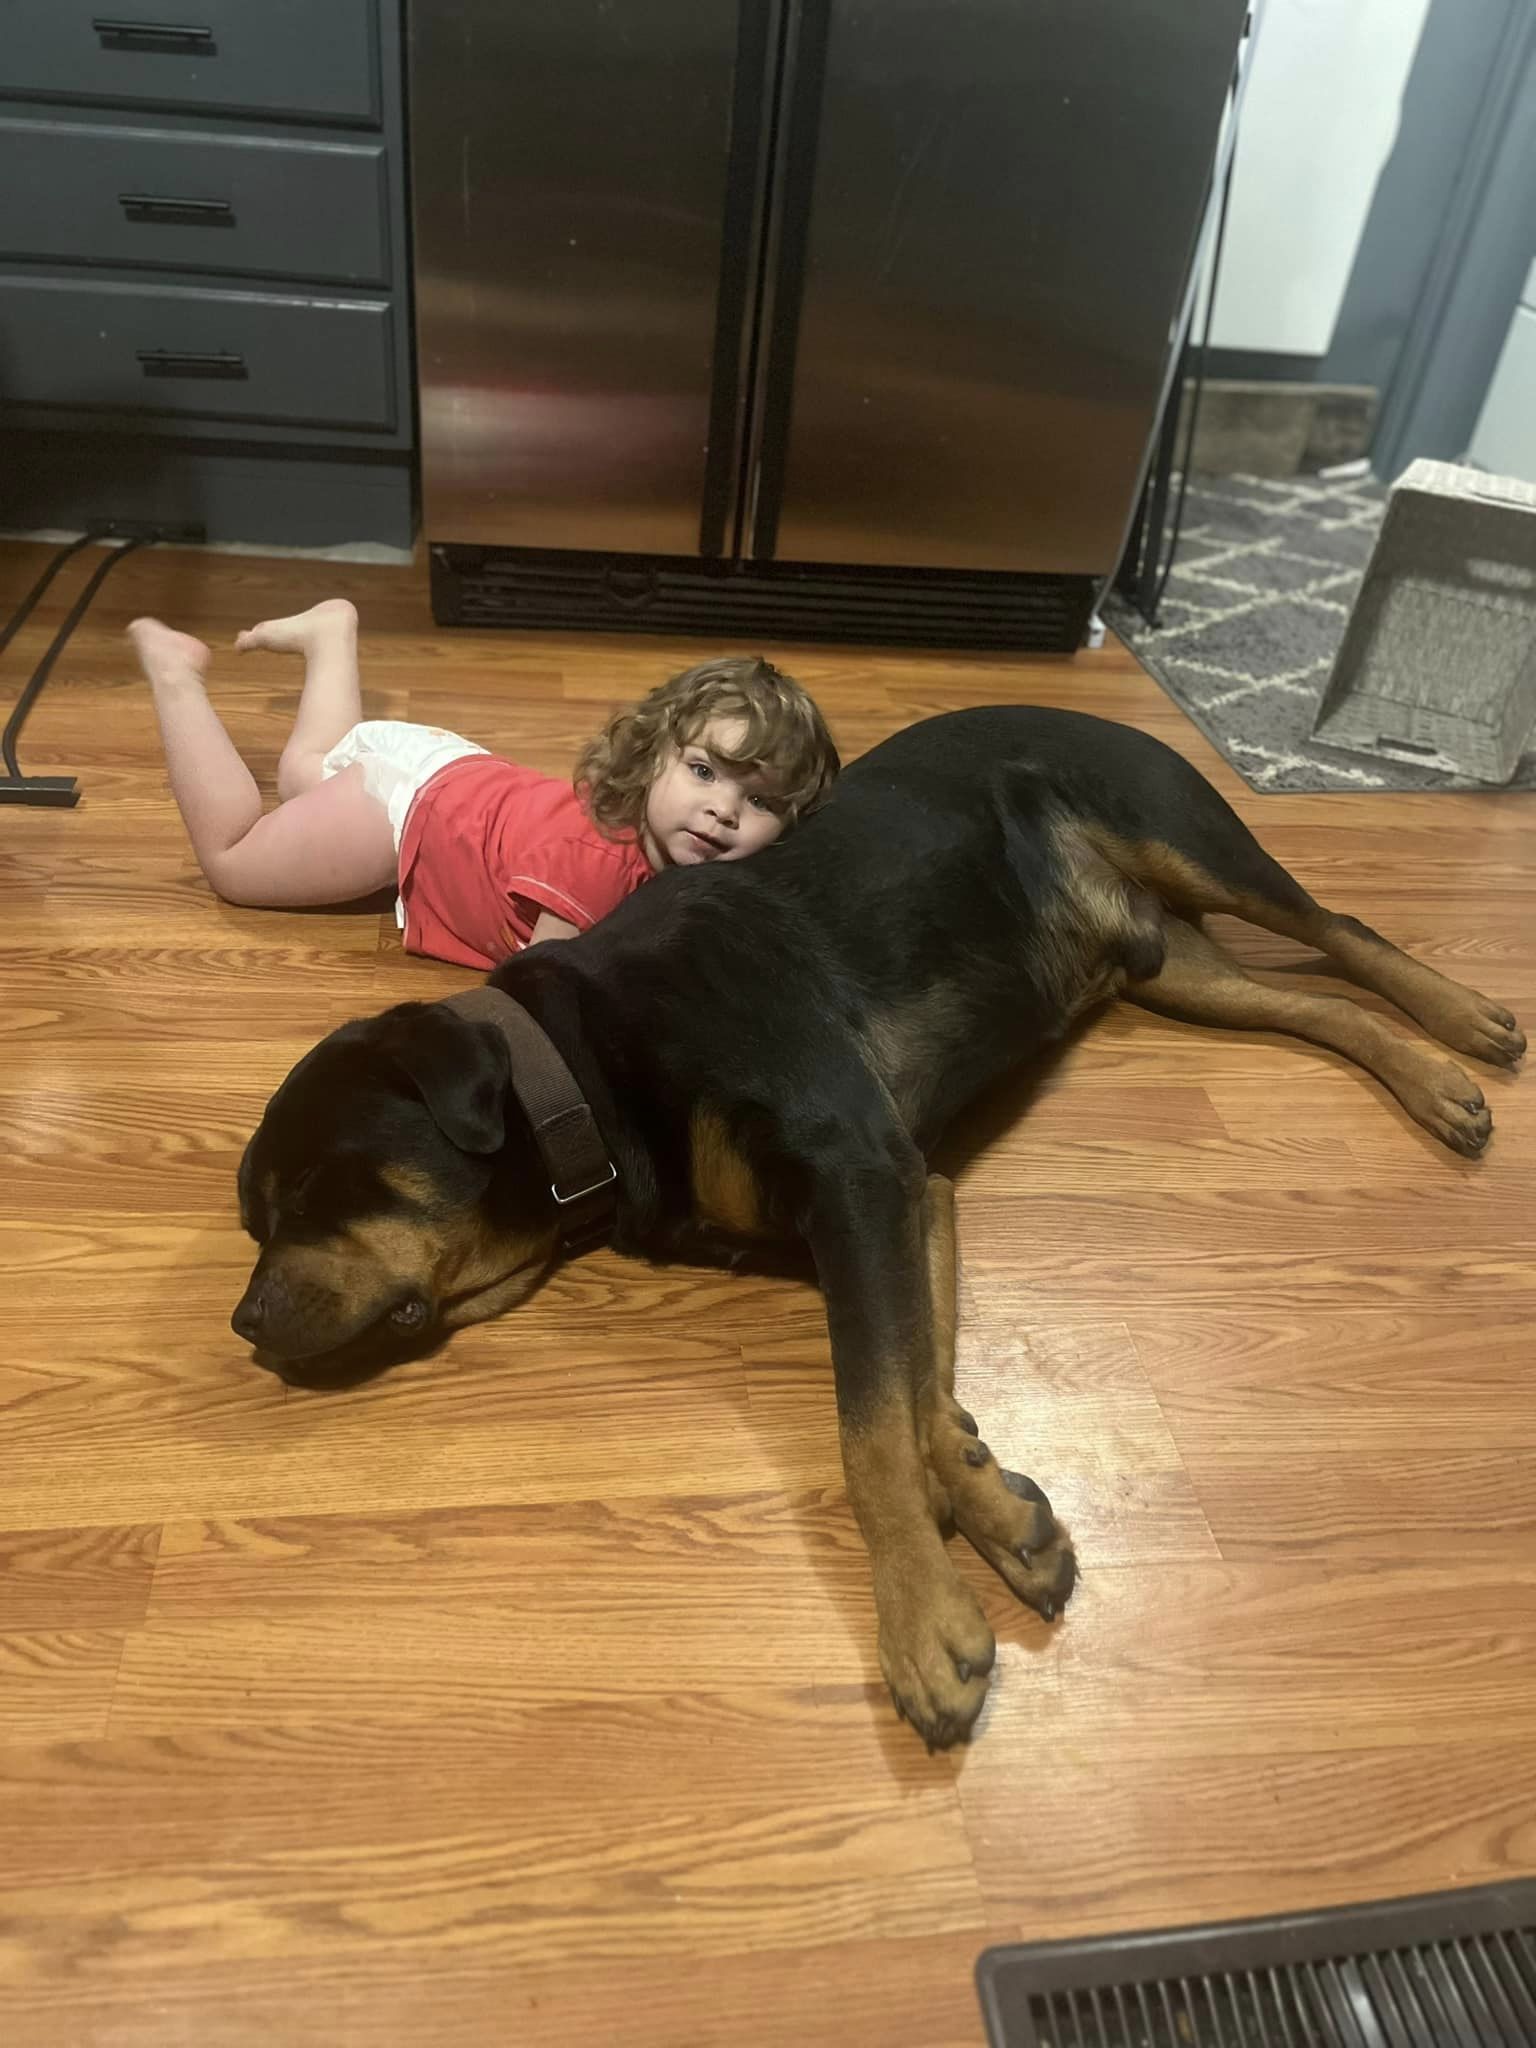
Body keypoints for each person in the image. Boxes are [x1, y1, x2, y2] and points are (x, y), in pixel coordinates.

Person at [128, 600, 839, 969]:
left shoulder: (679, 844)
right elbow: (541, 994)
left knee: (302, 775)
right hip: (402, 815)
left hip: (451, 772)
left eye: (760, 800)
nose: (722, 810)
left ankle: (331, 634)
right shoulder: (596, 869)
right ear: (654, 753)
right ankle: (173, 674)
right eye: (706, 771)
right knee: (236, 859)